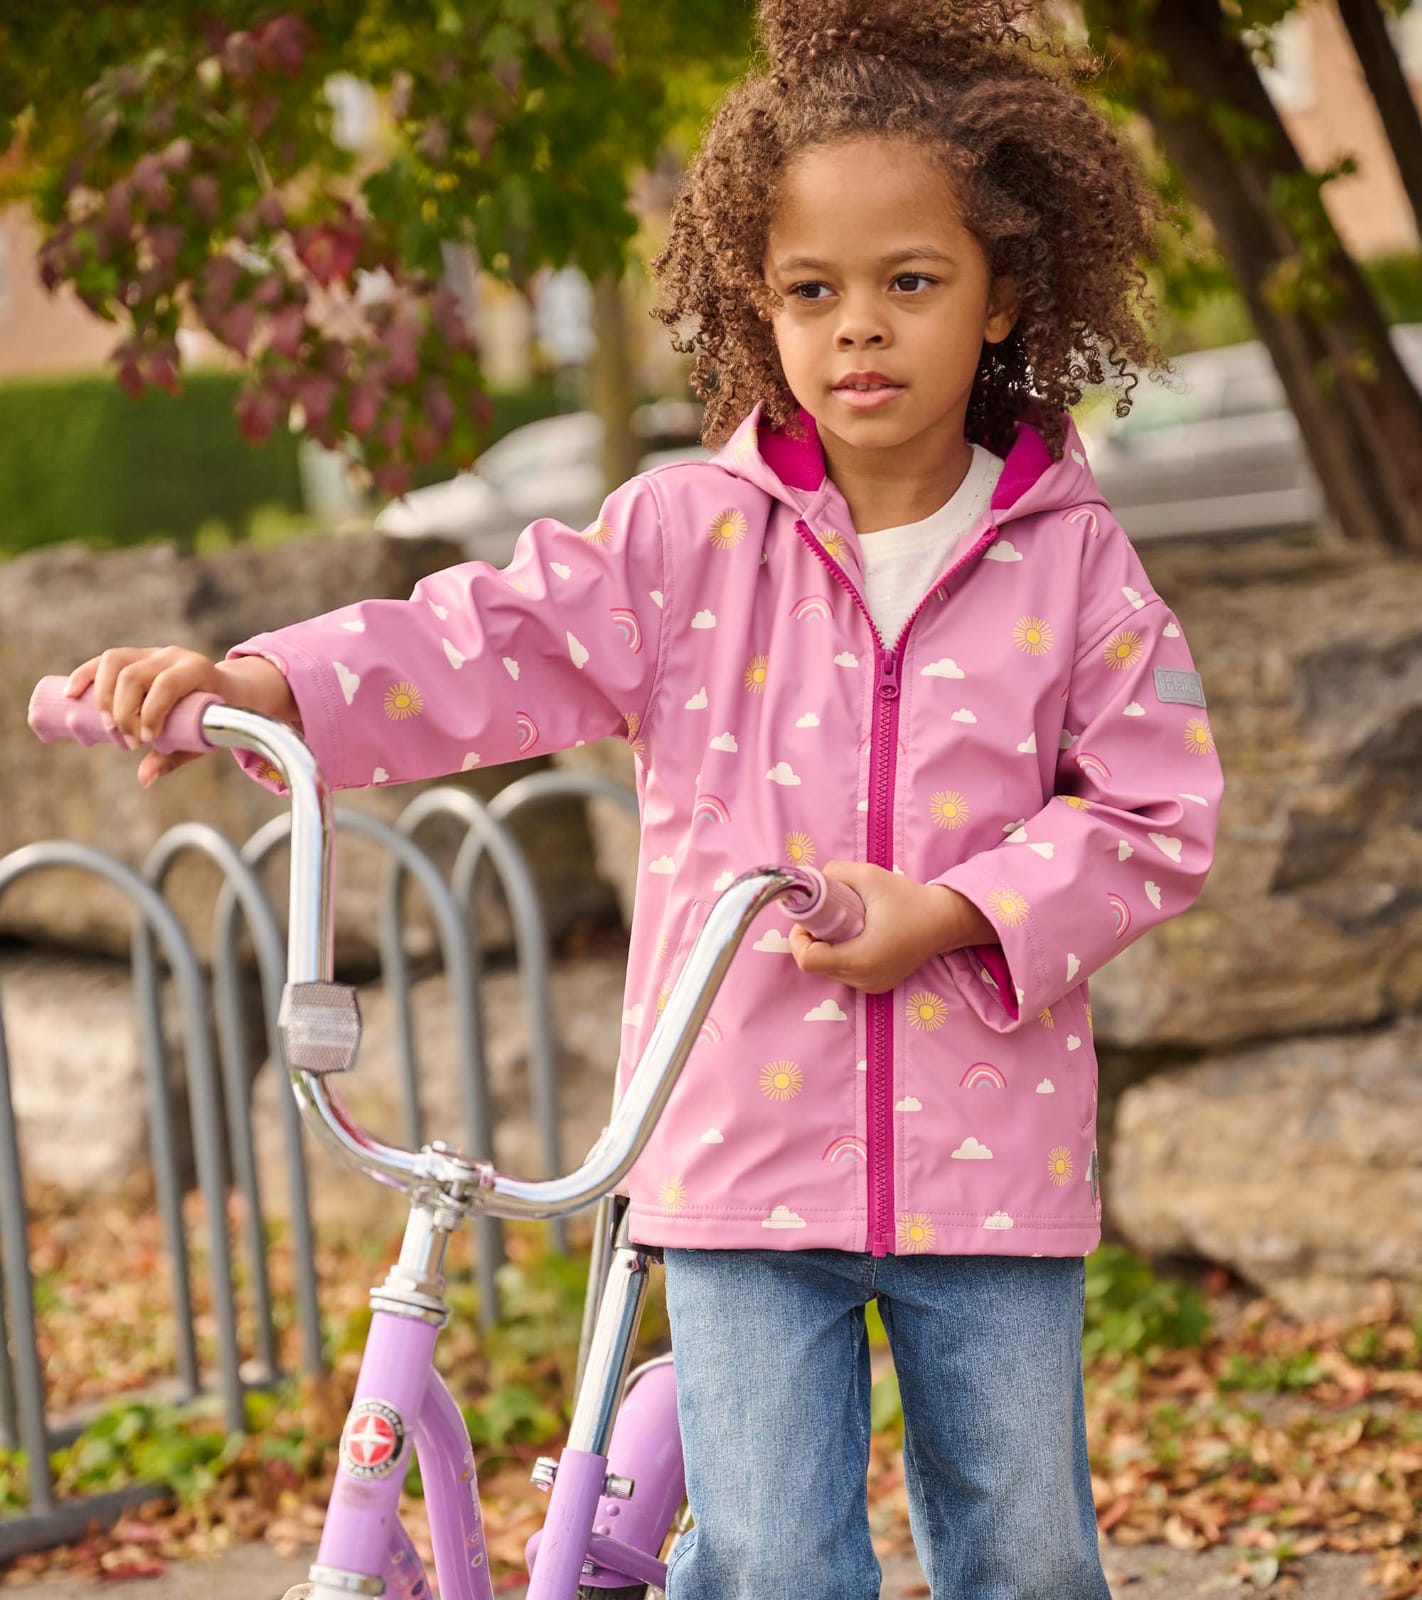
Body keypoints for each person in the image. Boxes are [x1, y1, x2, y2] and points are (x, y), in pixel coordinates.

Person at [65, 2, 1223, 1593]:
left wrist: (952, 913)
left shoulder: (1076, 562)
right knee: (771, 1564)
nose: (859, 329)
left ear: (1005, 291)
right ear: (759, 302)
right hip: (736, 1162)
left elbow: (1154, 812)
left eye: (911, 282)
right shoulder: (685, 538)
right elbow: (483, 640)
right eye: (813, 291)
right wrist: (267, 680)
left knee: (1027, 1557)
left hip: (990, 1171)